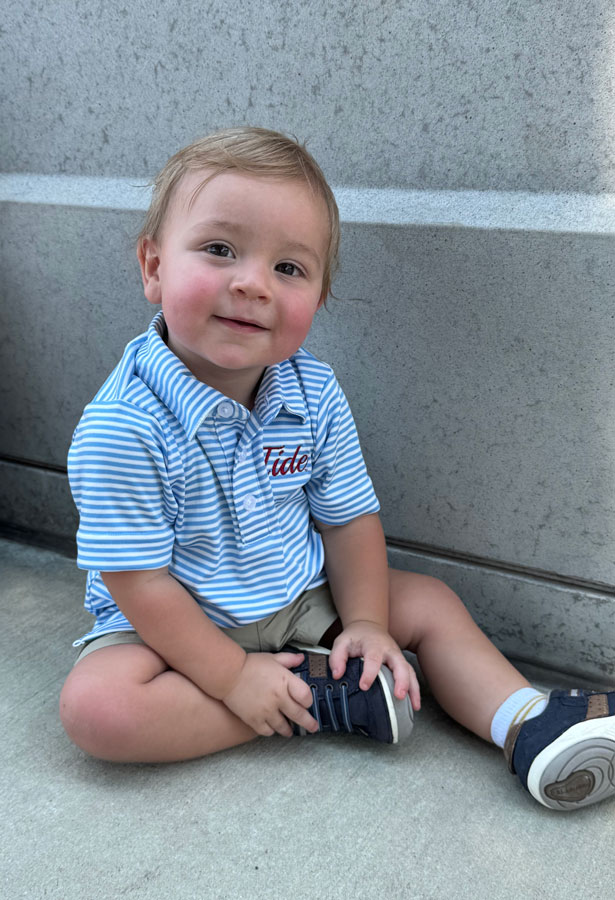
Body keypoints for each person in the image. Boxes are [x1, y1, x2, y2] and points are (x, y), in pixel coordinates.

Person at [60, 126, 615, 811]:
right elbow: (139, 582)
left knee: (427, 603)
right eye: (219, 249)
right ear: (153, 267)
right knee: (98, 709)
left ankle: (525, 722)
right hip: (174, 623)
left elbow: (348, 520)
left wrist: (369, 624)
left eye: (289, 268)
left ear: (318, 299)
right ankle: (323, 700)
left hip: (299, 597)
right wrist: (233, 677)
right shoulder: (123, 427)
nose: (252, 283)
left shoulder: (312, 391)